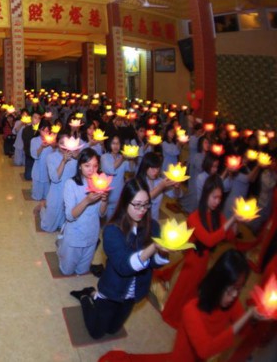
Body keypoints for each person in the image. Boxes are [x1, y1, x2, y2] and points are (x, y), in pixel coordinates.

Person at [99, 249, 267, 362]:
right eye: (231, 289)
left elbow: (242, 331)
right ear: (218, 284)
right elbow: (205, 349)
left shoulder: (232, 303)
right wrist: (247, 316)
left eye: (239, 289)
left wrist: (255, 315)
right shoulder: (192, 309)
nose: (235, 295)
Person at [70, 178, 169, 339]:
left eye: (146, 204)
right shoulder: (112, 230)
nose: (142, 210)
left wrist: (163, 253)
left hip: (133, 293)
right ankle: (85, 296)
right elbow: (124, 267)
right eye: (137, 204)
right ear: (125, 203)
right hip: (112, 291)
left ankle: (94, 295)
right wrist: (153, 247)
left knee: (112, 329)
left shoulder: (153, 227)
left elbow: (154, 264)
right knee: (97, 333)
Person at [161, 175, 241, 328]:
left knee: (194, 291)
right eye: (214, 197)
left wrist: (236, 220)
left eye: (220, 198)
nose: (217, 202)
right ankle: (172, 316)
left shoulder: (218, 216)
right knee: (183, 290)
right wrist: (231, 220)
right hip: (193, 259)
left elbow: (230, 236)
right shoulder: (194, 217)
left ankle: (184, 316)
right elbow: (209, 240)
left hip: (205, 261)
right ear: (206, 195)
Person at [56, 148, 108, 275]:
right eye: (87, 165)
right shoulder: (71, 184)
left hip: (91, 234)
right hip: (75, 235)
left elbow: (102, 214)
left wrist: (104, 200)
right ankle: (61, 246)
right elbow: (70, 216)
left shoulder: (99, 184)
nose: (92, 170)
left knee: (82, 270)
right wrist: (87, 201)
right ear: (80, 166)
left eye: (95, 166)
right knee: (67, 271)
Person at [39, 133, 78, 232]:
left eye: (66, 143)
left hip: (69, 193)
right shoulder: (51, 157)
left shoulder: (74, 158)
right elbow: (55, 178)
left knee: (62, 225)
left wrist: (77, 158)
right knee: (48, 227)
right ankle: (43, 208)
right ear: (57, 144)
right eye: (61, 143)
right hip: (56, 193)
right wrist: (63, 161)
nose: (64, 146)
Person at [135, 152, 182, 222]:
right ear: (145, 167)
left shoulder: (159, 181)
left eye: (157, 168)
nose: (156, 171)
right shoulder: (138, 181)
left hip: (154, 219)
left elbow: (176, 195)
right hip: (140, 219)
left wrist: (177, 187)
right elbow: (145, 199)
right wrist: (160, 187)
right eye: (152, 168)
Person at [101, 135, 135, 220]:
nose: (116, 146)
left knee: (120, 220)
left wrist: (132, 158)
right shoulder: (104, 157)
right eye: (113, 143)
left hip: (120, 194)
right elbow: (110, 169)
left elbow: (131, 169)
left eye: (118, 143)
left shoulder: (121, 157)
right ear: (109, 144)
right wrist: (123, 157)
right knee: (109, 221)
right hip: (109, 196)